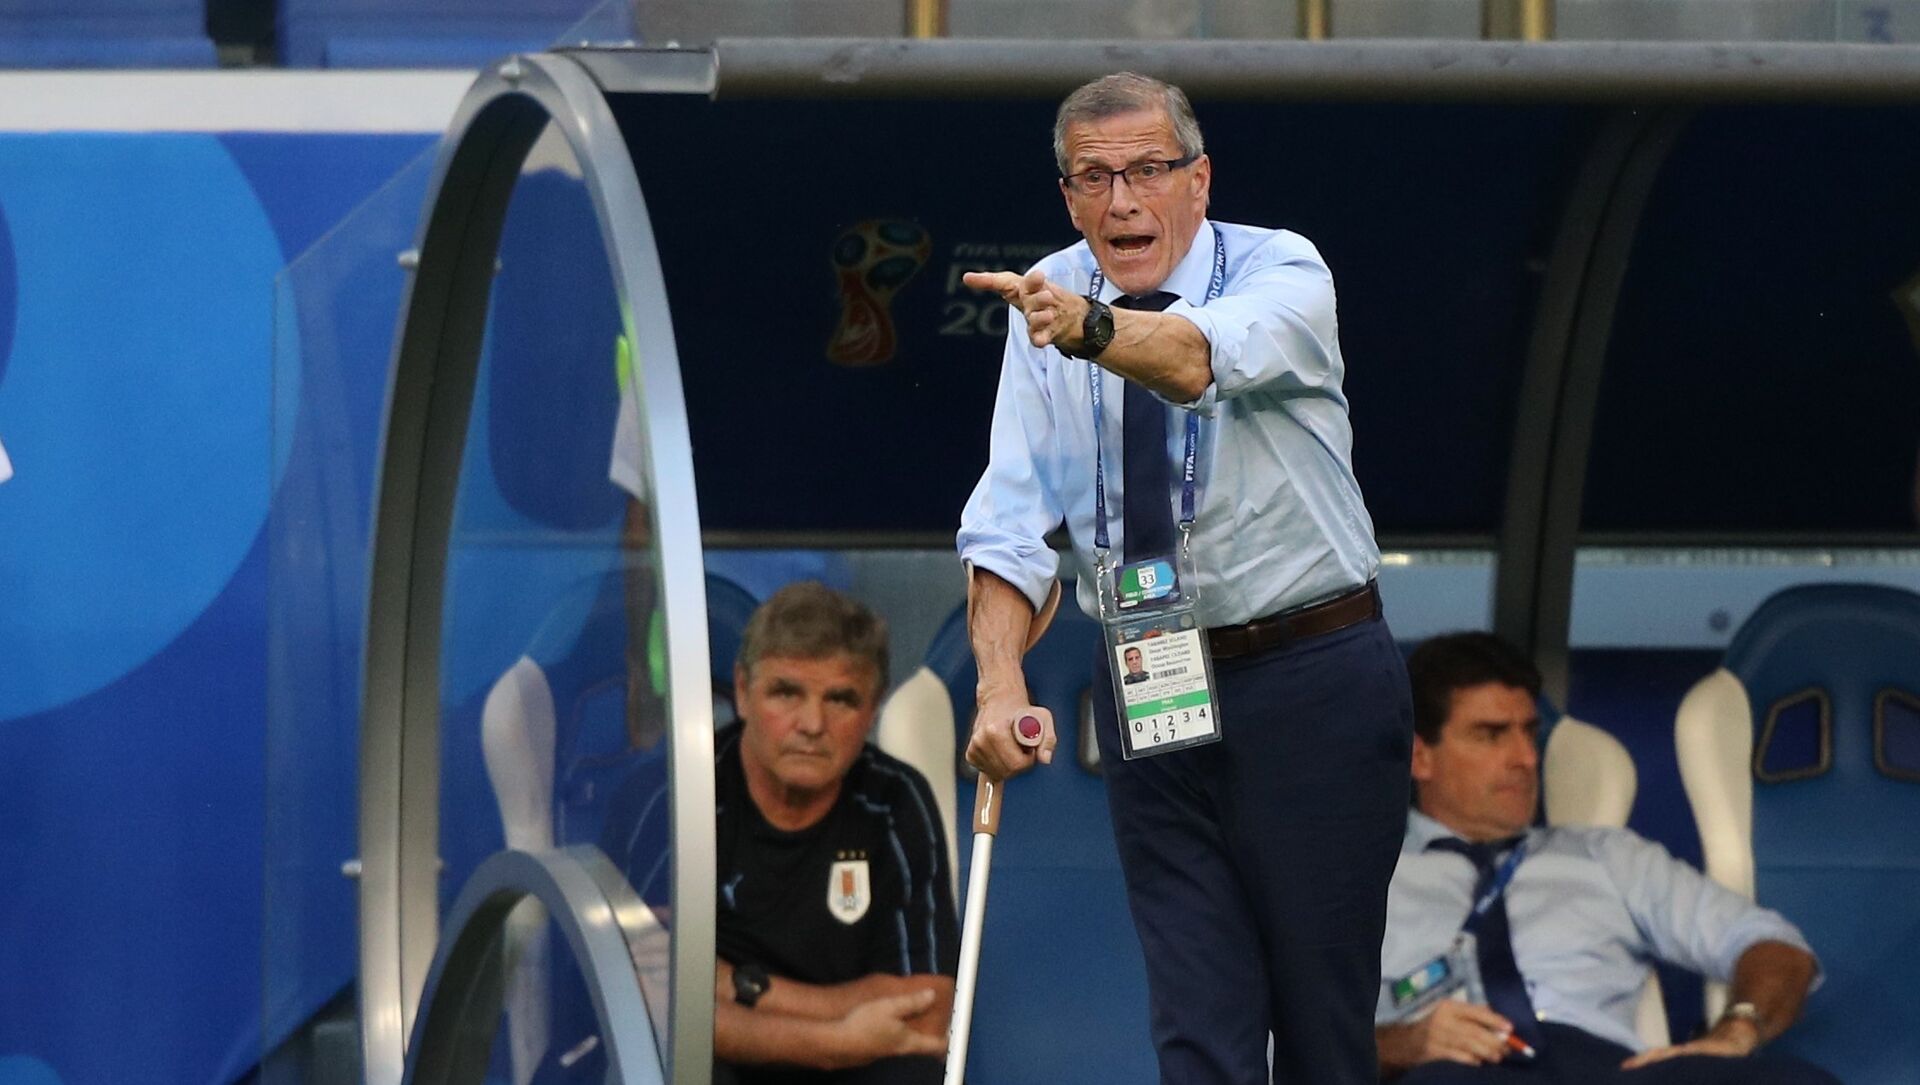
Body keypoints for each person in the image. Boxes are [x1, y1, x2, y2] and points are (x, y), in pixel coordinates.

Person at [956, 72, 1414, 1084]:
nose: (1123, 200)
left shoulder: (1282, 268)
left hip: (1309, 675)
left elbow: (1197, 359)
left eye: (1148, 171)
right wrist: (998, 683)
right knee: (1197, 1024)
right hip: (1151, 672)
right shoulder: (1048, 294)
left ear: (1198, 181)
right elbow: (1010, 518)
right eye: (1094, 177)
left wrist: (1089, 327)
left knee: (1321, 1026)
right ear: (1068, 194)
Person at [1377, 632, 1836, 1084]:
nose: (1526, 758)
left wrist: (1736, 1031)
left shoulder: (1605, 854)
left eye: (1530, 733)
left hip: (1608, 1067)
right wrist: (1402, 1045)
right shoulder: (1367, 880)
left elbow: (1776, 947)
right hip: (1455, 1070)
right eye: (1491, 735)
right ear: (1420, 757)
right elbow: (1329, 1040)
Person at [708, 582, 959, 1085]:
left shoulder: (895, 800)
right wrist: (837, 1041)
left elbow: (930, 1012)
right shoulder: (685, 790)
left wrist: (741, 986)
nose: (812, 724)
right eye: (786, 693)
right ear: (741, 691)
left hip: (861, 1067)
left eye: (841, 699)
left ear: (873, 709)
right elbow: (658, 1004)